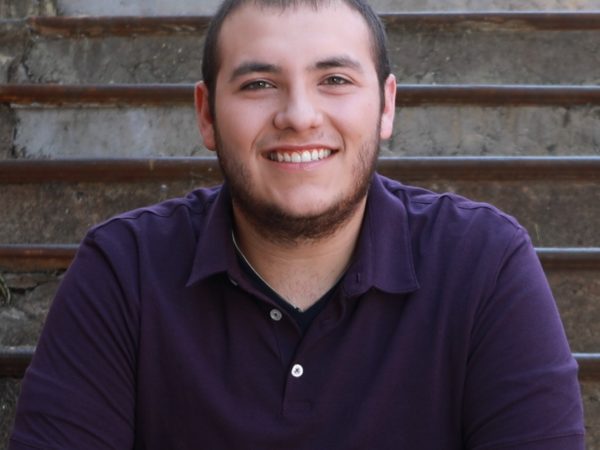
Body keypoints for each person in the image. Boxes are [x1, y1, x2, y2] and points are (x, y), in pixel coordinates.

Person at [10, 0, 585, 448]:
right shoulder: (123, 269)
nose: (300, 116)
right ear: (207, 114)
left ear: (386, 106)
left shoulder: (484, 262)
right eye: (259, 84)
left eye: (334, 79)